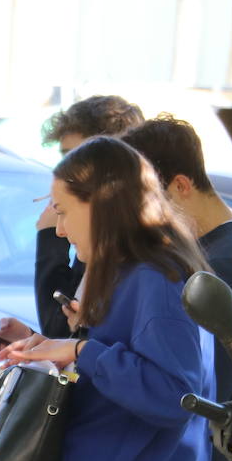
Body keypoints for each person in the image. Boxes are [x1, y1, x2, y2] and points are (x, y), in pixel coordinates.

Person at [2, 136, 214, 461]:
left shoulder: (156, 277)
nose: (60, 230)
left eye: (63, 213)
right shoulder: (132, 271)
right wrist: (49, 348)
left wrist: (81, 350)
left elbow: (176, 396)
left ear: (101, 205)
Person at [121, 114, 232, 461]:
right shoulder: (209, 255)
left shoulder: (229, 265)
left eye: (143, 198)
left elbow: (200, 395)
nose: (137, 215)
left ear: (180, 186)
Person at [31, 95, 145, 339]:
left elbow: (64, 333)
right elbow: (66, 332)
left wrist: (51, 237)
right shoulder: (93, 233)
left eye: (77, 157)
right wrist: (31, 342)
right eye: (64, 157)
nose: (64, 171)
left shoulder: (140, 251)